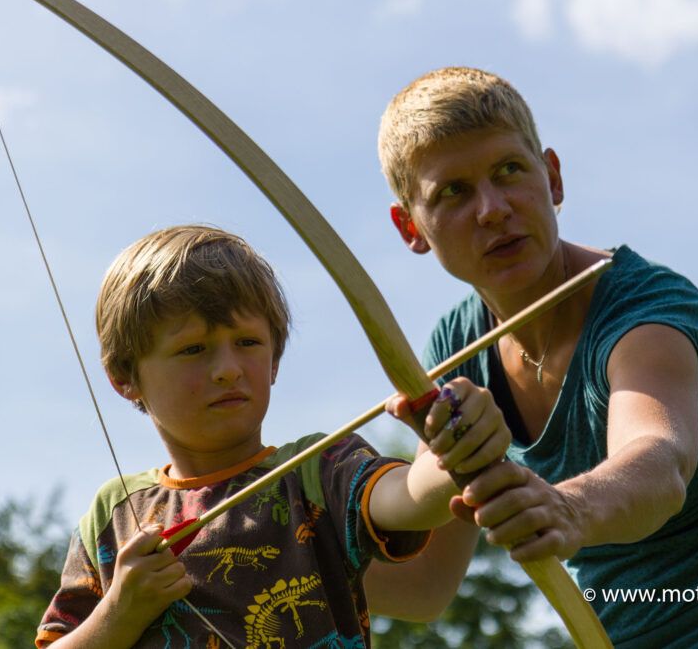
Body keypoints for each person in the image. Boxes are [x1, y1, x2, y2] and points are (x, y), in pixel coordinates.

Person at [365, 67, 698, 648]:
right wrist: (278, 576)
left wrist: (567, 507)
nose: (493, 208)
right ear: (410, 227)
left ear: (551, 177)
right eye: (453, 191)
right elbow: (427, 587)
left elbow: (661, 460)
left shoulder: (645, 310)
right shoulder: (457, 351)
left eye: (509, 171)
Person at [35, 224, 512, 648]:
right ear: (125, 376)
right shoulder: (115, 514)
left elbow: (407, 497)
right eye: (193, 349)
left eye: (247, 343)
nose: (227, 370)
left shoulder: (319, 468)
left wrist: (453, 450)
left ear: (275, 359)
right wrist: (120, 610)